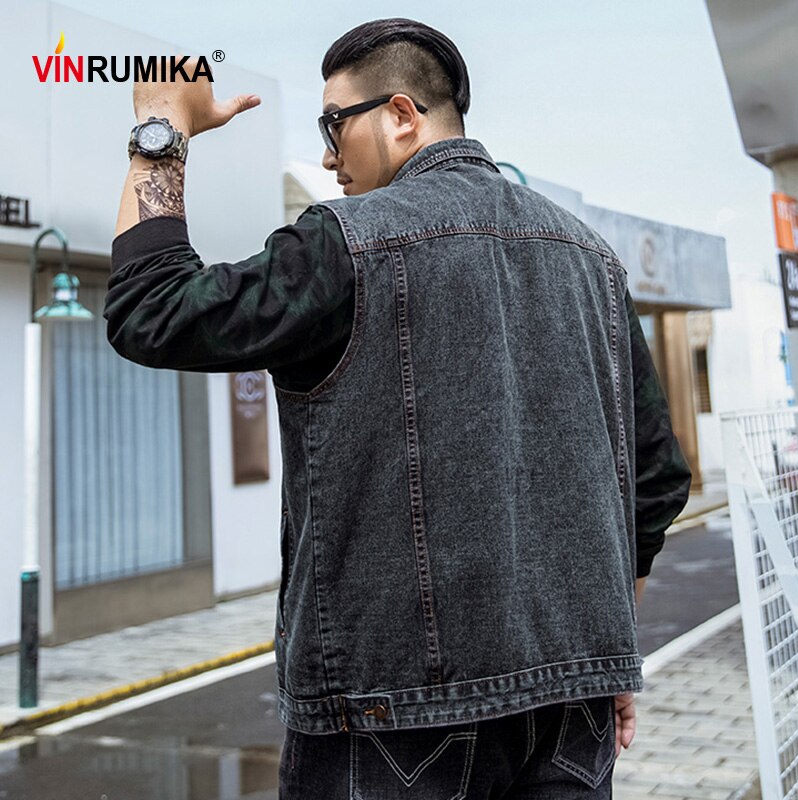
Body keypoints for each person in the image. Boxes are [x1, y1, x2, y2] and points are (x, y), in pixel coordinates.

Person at [105, 17, 692, 799]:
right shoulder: (592, 259)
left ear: (402, 114)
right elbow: (656, 479)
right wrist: (603, 650)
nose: (327, 156)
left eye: (333, 125)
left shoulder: (344, 245)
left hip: (390, 717)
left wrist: (161, 130)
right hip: (573, 712)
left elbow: (151, 310)